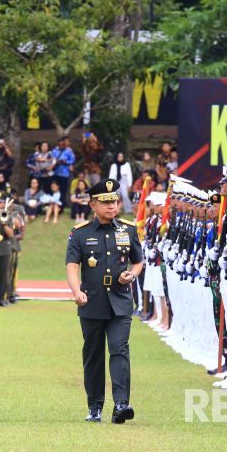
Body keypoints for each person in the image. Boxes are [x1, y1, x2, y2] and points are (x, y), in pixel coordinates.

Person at [65, 178, 143, 423]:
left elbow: (138, 261)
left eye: (114, 201)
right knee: (94, 353)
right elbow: (71, 266)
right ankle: (95, 406)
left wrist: (133, 273)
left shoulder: (128, 229)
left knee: (119, 350)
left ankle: (121, 404)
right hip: (92, 301)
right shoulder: (80, 232)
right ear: (92, 205)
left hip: (120, 301)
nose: (112, 206)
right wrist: (76, 292)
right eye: (105, 202)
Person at [52, 136, 75, 205]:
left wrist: (65, 162)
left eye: (63, 145)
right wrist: (56, 161)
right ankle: (55, 201)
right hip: (56, 172)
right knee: (55, 188)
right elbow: (50, 159)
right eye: (60, 145)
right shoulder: (54, 151)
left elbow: (73, 160)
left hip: (65, 173)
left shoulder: (68, 151)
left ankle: (63, 202)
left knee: (63, 189)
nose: (61, 146)